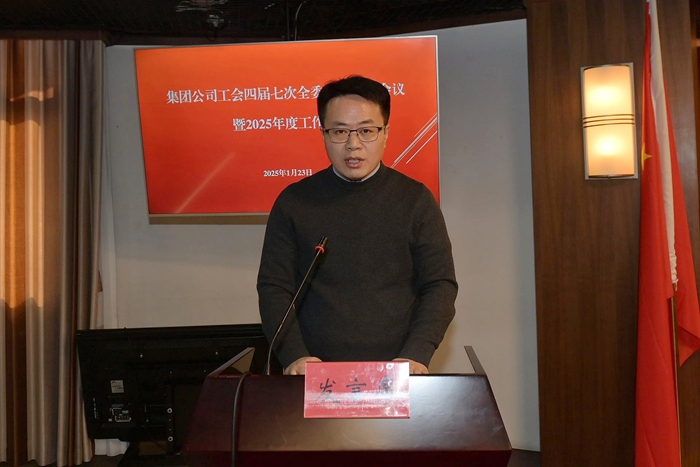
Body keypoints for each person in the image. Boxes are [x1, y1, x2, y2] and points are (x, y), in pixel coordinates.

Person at [257, 75, 457, 375]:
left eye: (366, 131)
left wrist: (416, 354)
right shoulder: (294, 202)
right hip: (315, 374)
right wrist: (295, 356)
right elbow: (274, 287)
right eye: (339, 131)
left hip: (397, 372)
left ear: (385, 133)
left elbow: (439, 285)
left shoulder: (415, 200)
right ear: (323, 134)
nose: (353, 145)